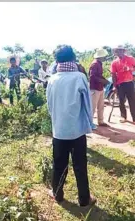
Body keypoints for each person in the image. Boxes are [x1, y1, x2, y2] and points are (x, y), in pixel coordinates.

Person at [46, 45, 96, 207]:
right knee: (80, 165)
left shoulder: (52, 79)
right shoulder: (79, 77)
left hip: (59, 130)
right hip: (76, 131)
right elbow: (88, 105)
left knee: (59, 165)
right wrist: (89, 124)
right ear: (73, 58)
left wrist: (56, 121)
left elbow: (50, 105)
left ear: (57, 60)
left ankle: (57, 194)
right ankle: (84, 199)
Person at [110, 45, 135, 125]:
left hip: (129, 82)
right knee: (121, 101)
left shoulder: (130, 59)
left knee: (132, 101)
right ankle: (123, 116)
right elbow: (113, 74)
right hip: (120, 84)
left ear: (124, 51)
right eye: (117, 51)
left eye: (121, 50)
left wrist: (131, 69)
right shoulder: (114, 62)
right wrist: (114, 86)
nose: (119, 52)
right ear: (116, 52)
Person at [89, 48, 110, 128]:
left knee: (101, 106)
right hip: (94, 88)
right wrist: (102, 81)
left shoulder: (99, 63)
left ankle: (100, 121)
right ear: (101, 56)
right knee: (93, 107)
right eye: (104, 56)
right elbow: (92, 77)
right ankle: (89, 123)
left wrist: (104, 80)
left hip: (99, 88)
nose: (105, 58)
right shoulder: (95, 64)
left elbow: (98, 75)